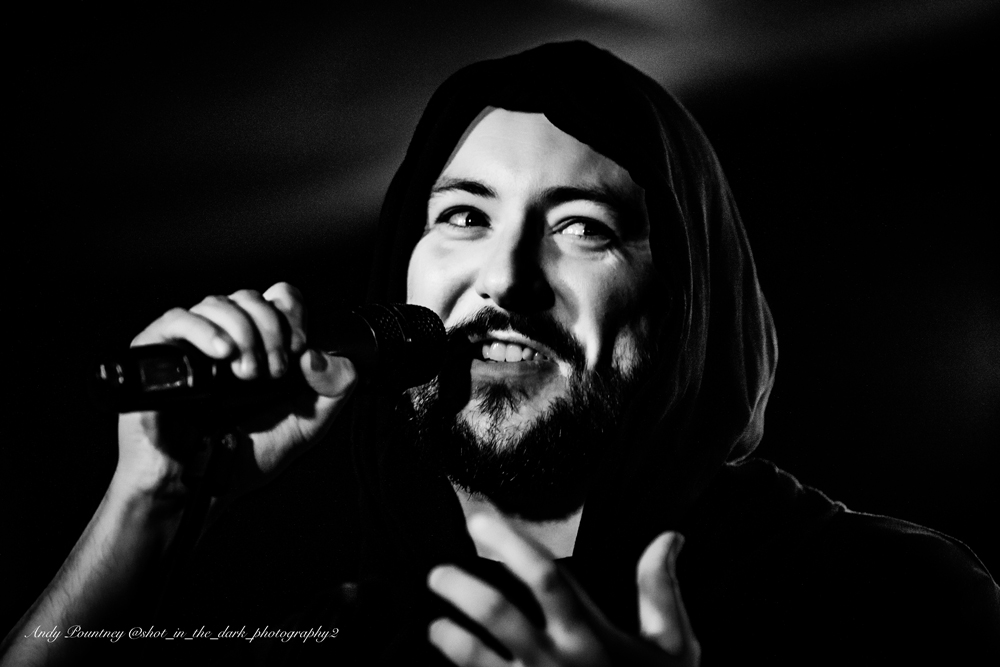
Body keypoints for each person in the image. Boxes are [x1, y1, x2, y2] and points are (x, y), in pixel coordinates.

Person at [3, 41, 998, 667]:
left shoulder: (889, 600)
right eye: (464, 217)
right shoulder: (345, 628)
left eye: (582, 228)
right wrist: (152, 502)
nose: (504, 283)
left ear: (686, 306)